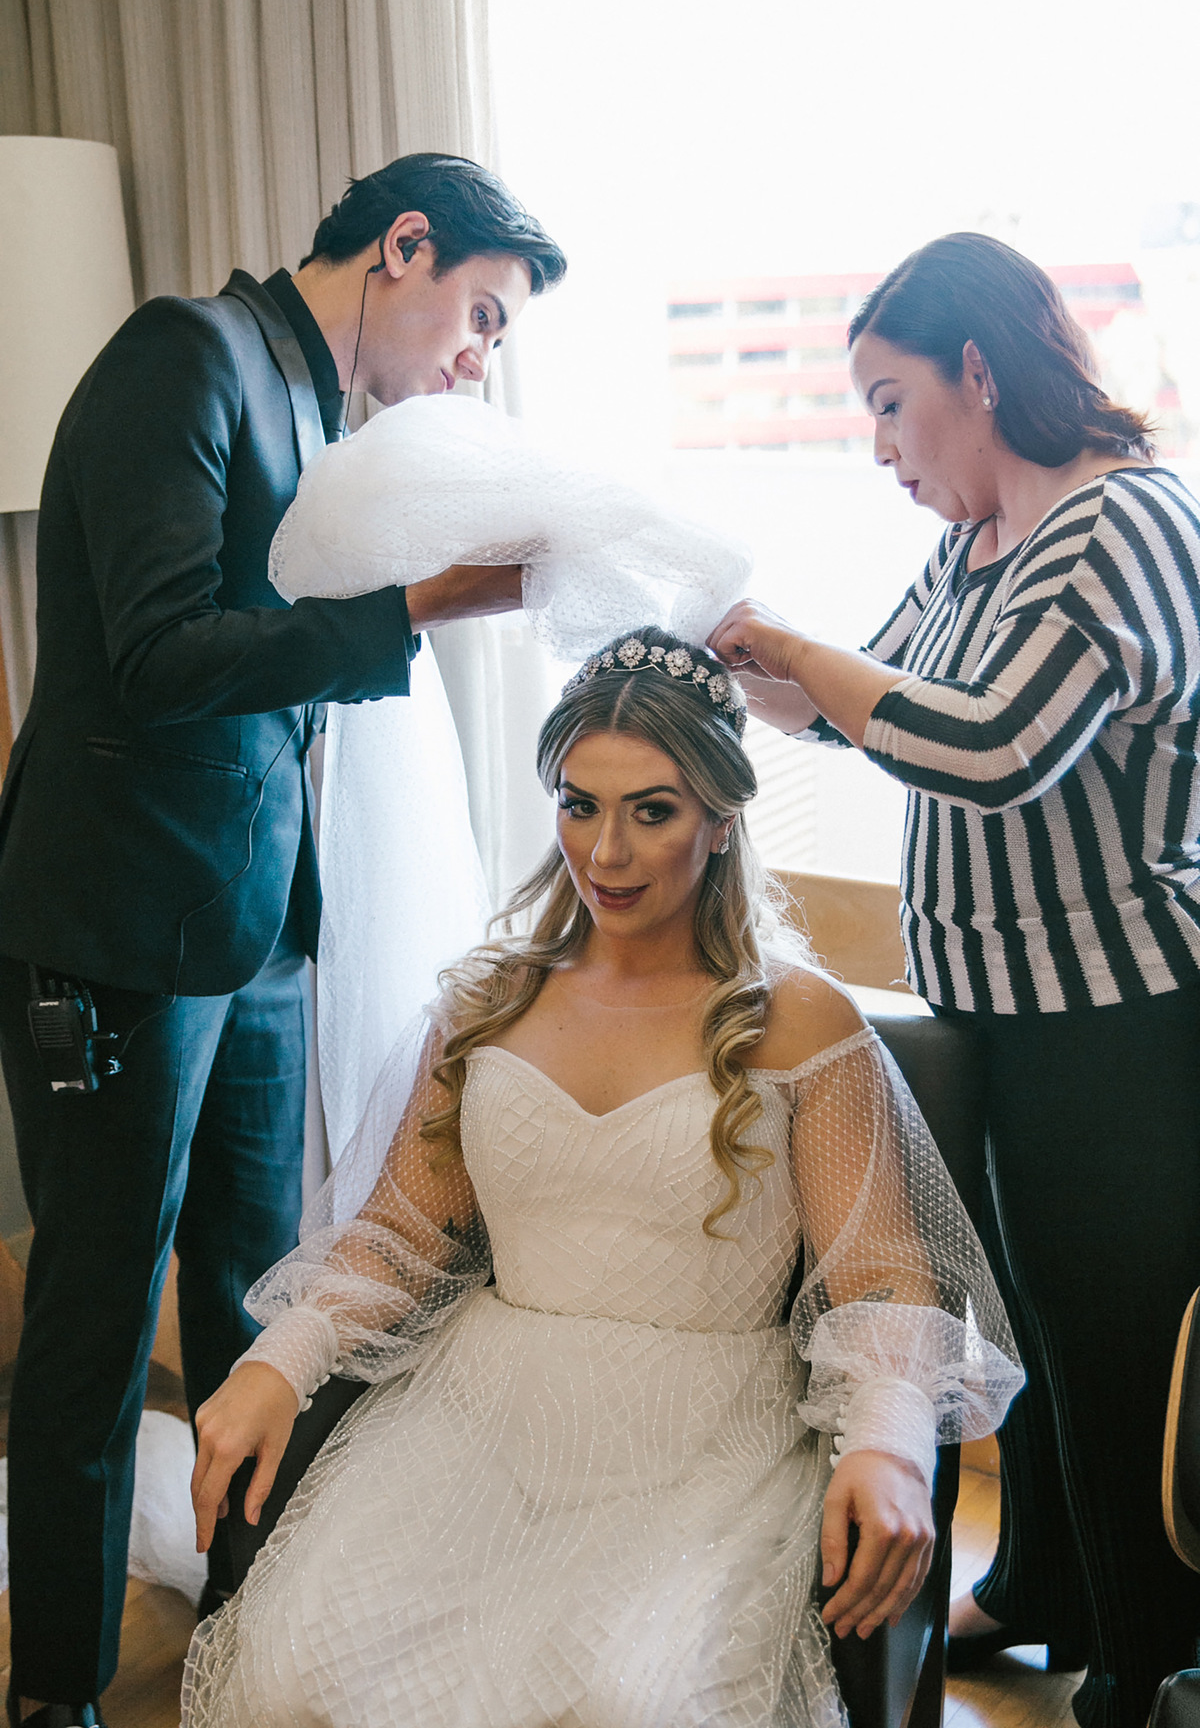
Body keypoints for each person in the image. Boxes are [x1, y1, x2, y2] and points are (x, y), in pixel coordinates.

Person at [181, 627, 1021, 1728]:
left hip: (707, 1433)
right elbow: (400, 1234)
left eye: (651, 811)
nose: (607, 853)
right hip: (483, 1413)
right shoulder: (487, 1002)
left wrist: (891, 1439)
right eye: (579, 805)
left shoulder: (799, 1020)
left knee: (637, 1697)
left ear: (721, 818)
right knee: (299, 1671)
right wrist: (278, 1358)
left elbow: (882, 1275)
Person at [0, 152, 566, 1728]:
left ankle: (246, 1646)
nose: (476, 356)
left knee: (257, 1298)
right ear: (403, 247)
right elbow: (164, 653)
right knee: (97, 1318)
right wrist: (423, 606)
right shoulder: (183, 358)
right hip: (117, 927)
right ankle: (57, 1694)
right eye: (480, 313)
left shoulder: (319, 412)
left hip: (252, 926)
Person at [709, 232, 1200, 1728]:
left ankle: (1147, 1668)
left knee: (1118, 1349)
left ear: (979, 372)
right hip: (1001, 1011)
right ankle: (1048, 1583)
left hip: (1120, 1020)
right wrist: (730, 649)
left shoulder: (1125, 521)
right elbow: (859, 708)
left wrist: (803, 655)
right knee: (1027, 1329)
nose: (880, 447)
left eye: (890, 403)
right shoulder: (982, 538)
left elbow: (990, 747)